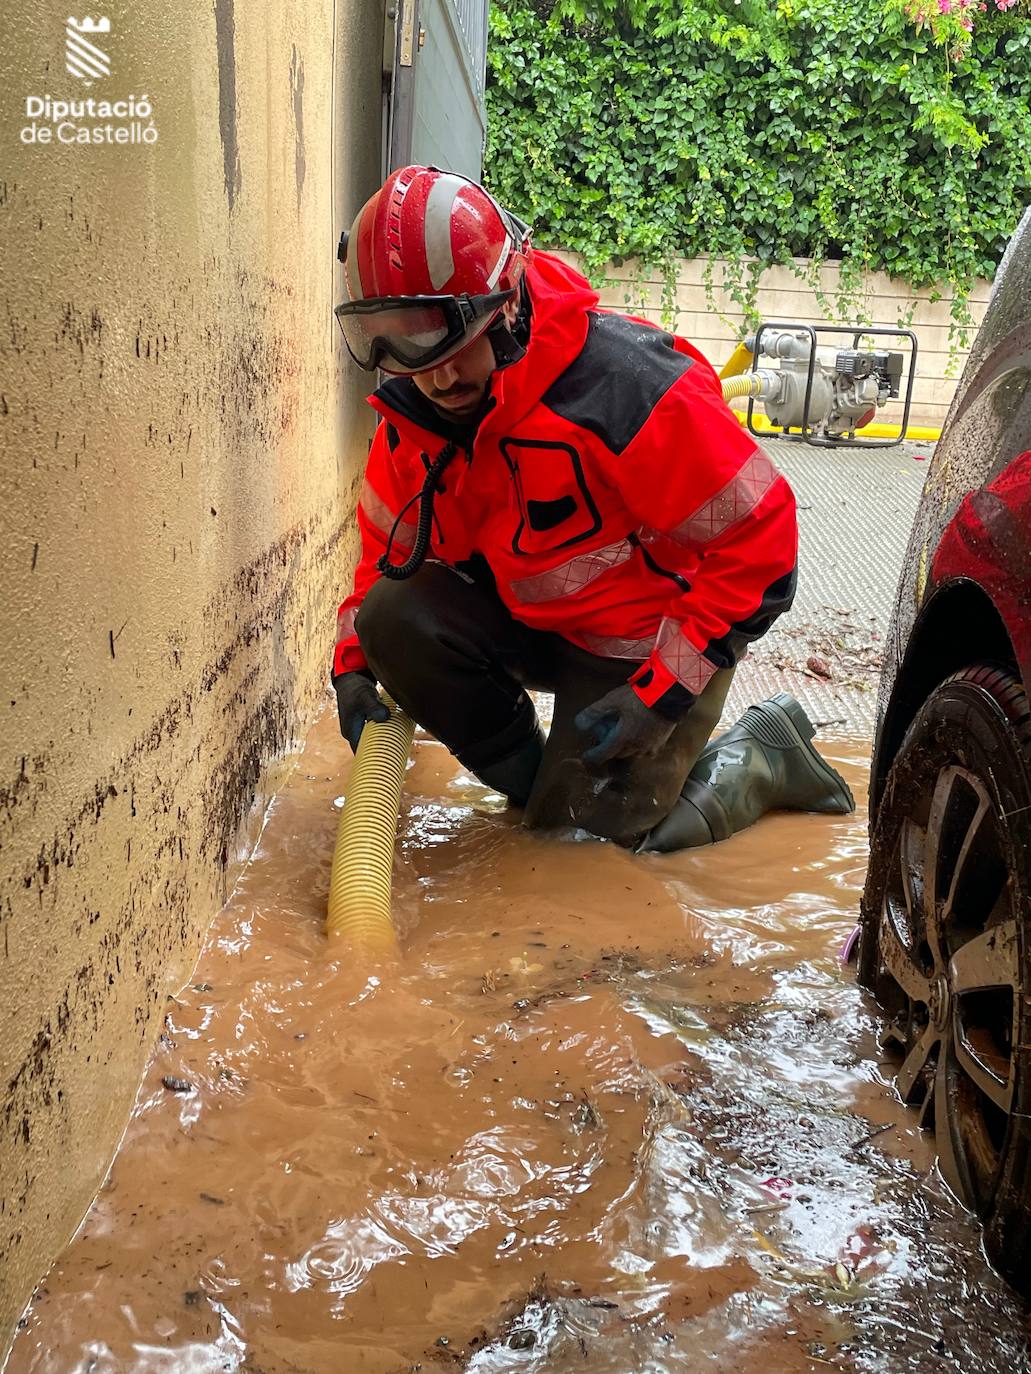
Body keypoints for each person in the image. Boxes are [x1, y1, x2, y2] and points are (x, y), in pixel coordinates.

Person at [330, 165, 853, 850]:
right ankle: (543, 791)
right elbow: (384, 563)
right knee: (392, 623)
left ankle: (761, 754)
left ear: (506, 304)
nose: (433, 373)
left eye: (437, 335)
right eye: (394, 337)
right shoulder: (413, 416)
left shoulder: (622, 390)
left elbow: (763, 542)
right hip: (537, 626)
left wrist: (661, 697)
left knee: (594, 854)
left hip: (646, 644)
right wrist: (351, 667)